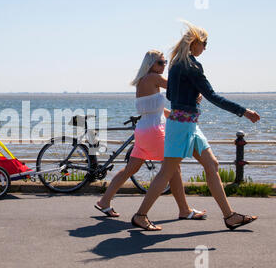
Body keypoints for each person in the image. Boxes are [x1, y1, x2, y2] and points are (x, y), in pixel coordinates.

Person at [131, 20, 260, 231]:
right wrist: (243, 111)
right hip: (181, 126)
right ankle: (140, 215)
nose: (206, 48)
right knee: (166, 172)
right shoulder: (191, 65)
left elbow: (172, 95)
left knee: (212, 165)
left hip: (188, 124)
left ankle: (230, 216)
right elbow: (213, 96)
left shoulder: (175, 64)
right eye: (205, 43)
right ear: (195, 42)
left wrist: (191, 94)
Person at [95, 50, 206, 221]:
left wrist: (176, 115)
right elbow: (178, 88)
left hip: (143, 130)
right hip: (154, 131)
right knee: (173, 168)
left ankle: (104, 201)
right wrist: (196, 93)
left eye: (165, 62)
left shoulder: (143, 81)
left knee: (131, 168)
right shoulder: (153, 78)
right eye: (160, 62)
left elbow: (159, 111)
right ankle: (184, 210)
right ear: (151, 64)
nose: (164, 65)